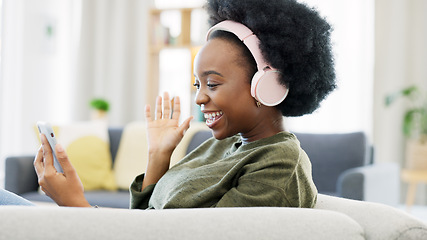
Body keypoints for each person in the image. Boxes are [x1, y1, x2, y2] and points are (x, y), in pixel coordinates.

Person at [1, 0, 335, 208]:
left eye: (212, 83)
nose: (199, 97)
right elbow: (148, 222)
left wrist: (76, 204)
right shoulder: (225, 146)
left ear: (268, 84)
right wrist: (158, 156)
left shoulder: (279, 165)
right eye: (197, 84)